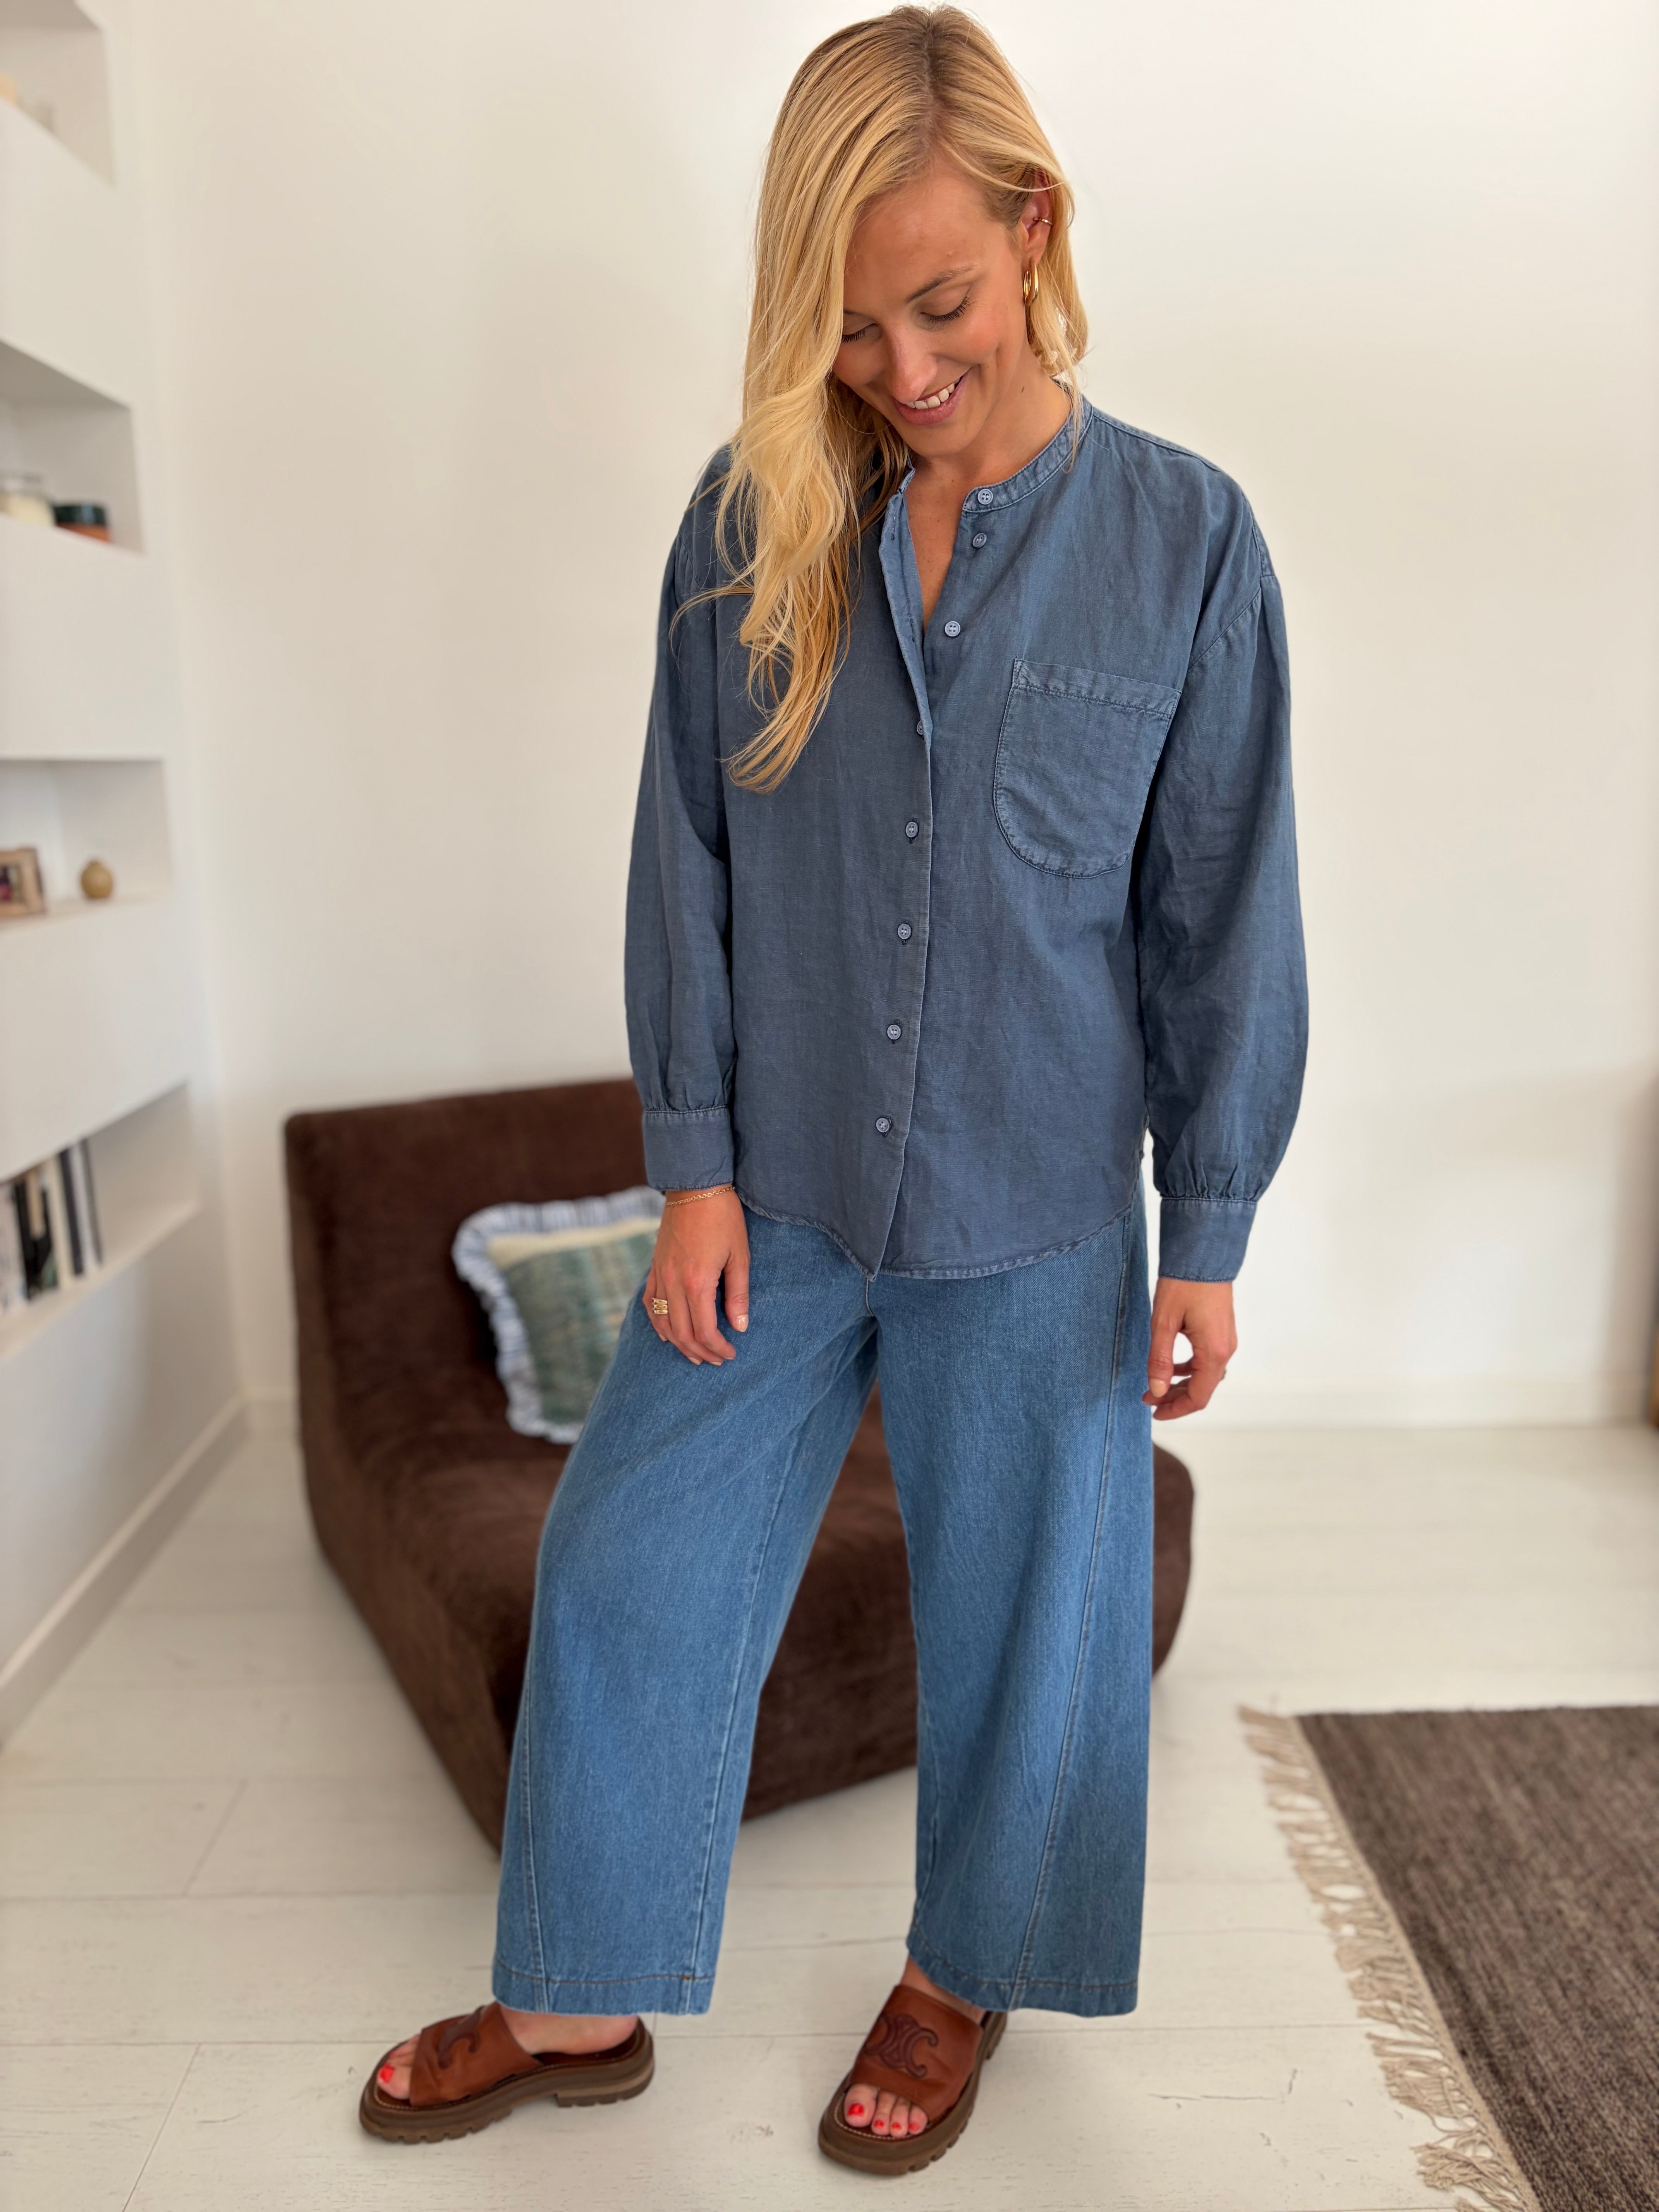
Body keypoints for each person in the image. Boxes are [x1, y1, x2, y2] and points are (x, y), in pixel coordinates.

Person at [359, 2, 1305, 2176]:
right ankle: (577, 1997)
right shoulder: (747, 521)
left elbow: (1221, 914)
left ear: (1035, 229)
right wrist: (689, 1169)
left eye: (939, 302)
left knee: (1031, 1622)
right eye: (850, 322)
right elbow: (681, 856)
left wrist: (1214, 1230)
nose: (899, 363)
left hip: (1041, 1207)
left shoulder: (1187, 543)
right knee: (627, 1557)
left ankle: (961, 1981)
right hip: (772, 1198)